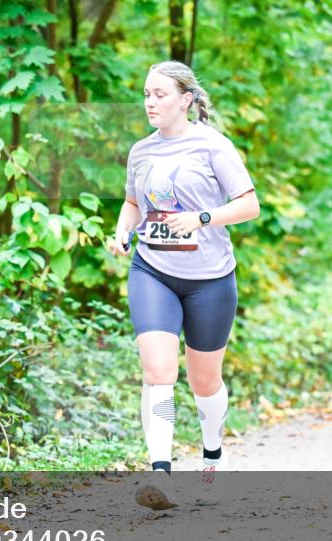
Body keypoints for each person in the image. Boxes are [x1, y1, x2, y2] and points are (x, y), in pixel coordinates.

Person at [107, 61, 260, 510]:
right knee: (158, 372)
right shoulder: (141, 151)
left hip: (210, 279)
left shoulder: (213, 146)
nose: (150, 102)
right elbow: (132, 203)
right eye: (146, 94)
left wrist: (202, 218)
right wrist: (122, 231)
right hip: (152, 270)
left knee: (204, 380)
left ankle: (213, 450)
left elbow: (249, 206)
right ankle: (161, 474)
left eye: (160, 94)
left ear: (186, 100)